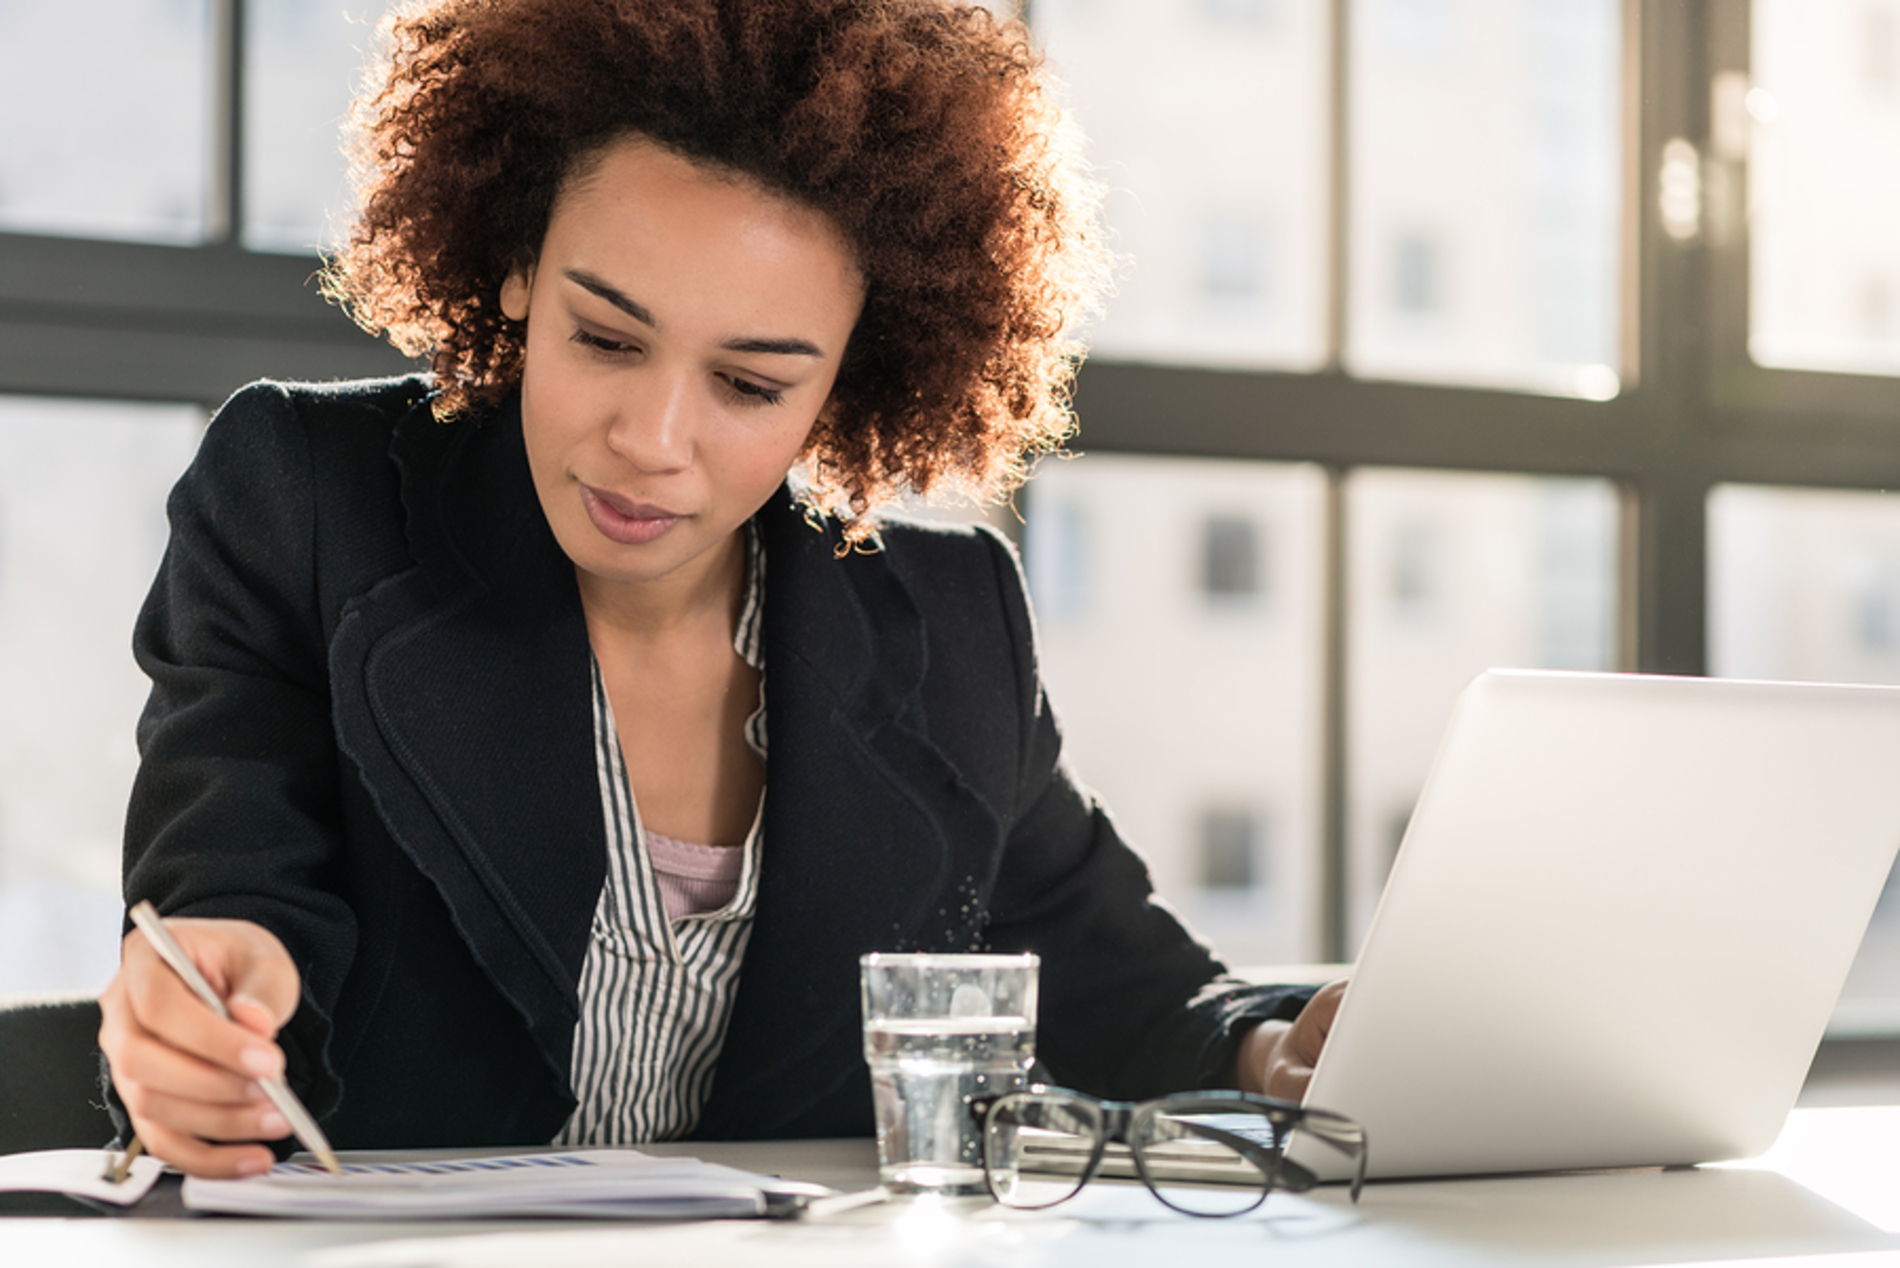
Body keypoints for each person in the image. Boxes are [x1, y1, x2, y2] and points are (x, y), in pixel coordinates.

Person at [96, 0, 1346, 1179]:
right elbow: (229, 892)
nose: (654, 437)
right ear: (519, 267)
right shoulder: (308, 502)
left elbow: (1118, 982)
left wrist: (1270, 1049)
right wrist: (212, 1004)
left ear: (850, 377)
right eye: (605, 337)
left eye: (750, 384)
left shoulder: (951, 617)